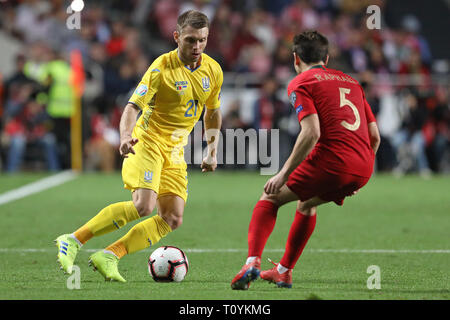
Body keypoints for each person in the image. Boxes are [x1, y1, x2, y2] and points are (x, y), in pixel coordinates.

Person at [55, 10, 223, 282]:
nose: (197, 47)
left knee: (172, 218)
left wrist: (212, 149)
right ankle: (73, 239)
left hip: (175, 151)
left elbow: (213, 111)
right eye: (191, 40)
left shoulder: (213, 70)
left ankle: (109, 255)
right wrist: (124, 136)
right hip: (147, 141)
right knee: (144, 205)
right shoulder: (160, 68)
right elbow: (133, 106)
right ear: (176, 36)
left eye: (202, 40)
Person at [231, 30, 380, 290]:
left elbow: (312, 132)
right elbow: (375, 137)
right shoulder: (352, 82)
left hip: (332, 161)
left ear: (295, 59)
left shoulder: (302, 82)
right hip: (364, 166)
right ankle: (283, 272)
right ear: (328, 57)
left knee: (270, 197)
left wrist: (283, 174)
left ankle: (252, 262)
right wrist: (356, 173)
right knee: (307, 203)